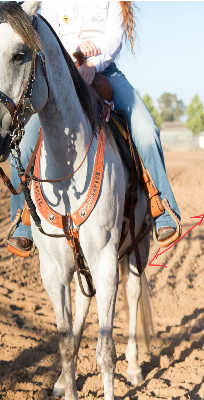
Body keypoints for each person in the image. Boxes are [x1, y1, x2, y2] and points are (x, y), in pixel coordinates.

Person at [8, 1, 181, 254]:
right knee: (23, 147)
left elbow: (114, 37)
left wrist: (93, 62)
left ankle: (162, 208)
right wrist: (76, 57)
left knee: (146, 131)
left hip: (105, 71)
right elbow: (44, 37)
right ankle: (22, 221)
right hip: (60, 74)